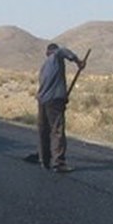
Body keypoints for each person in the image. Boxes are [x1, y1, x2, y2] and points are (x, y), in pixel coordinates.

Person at [36, 43, 86, 173]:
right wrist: (78, 61)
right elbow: (63, 51)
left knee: (44, 130)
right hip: (54, 100)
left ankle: (44, 160)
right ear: (52, 51)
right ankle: (58, 163)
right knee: (57, 130)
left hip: (42, 100)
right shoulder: (56, 56)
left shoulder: (44, 66)